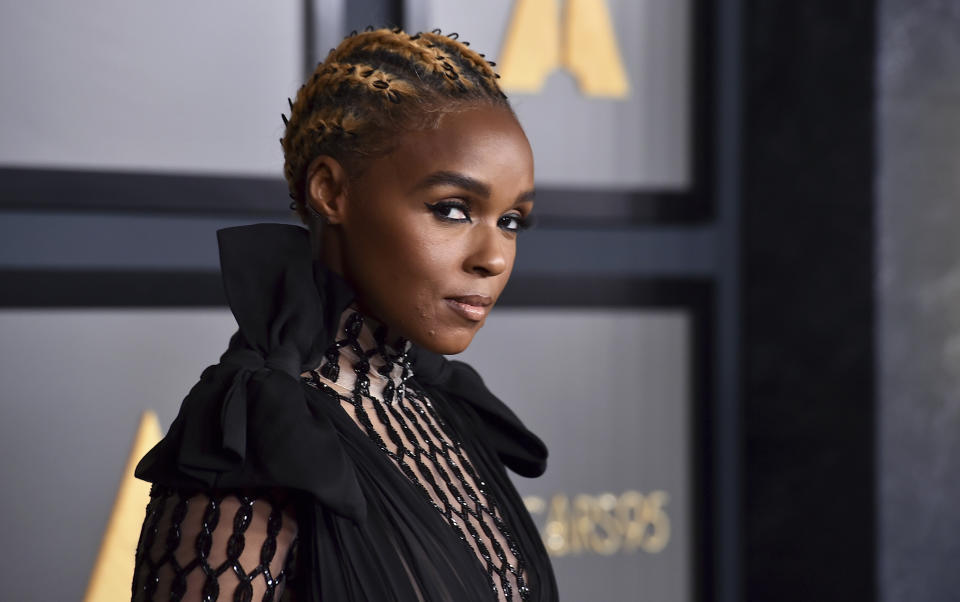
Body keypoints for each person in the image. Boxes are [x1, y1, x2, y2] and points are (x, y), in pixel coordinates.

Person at [130, 26, 558, 602]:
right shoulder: (252, 449)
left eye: (511, 220)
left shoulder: (445, 414)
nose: (494, 257)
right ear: (331, 192)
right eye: (452, 210)